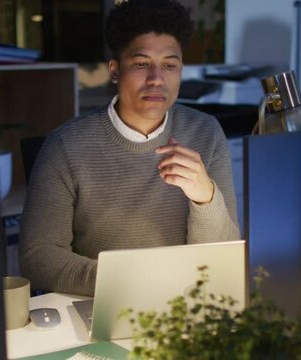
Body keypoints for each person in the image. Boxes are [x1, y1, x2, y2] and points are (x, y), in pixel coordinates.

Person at [19, 0, 241, 296]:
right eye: (141, 64)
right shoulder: (65, 146)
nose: (156, 79)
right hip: (101, 302)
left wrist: (206, 197)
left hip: (185, 304)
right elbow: (38, 257)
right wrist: (126, 282)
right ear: (114, 70)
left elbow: (223, 258)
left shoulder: (205, 132)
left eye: (170, 65)